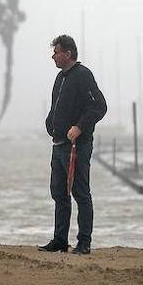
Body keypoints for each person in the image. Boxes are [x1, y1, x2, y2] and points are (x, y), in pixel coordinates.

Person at [39, 34, 107, 254]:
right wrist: (50, 123)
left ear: (68, 54)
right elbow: (55, 107)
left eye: (56, 52)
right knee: (59, 193)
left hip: (78, 145)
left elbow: (99, 106)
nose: (53, 56)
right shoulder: (60, 78)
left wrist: (79, 127)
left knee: (80, 192)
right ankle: (60, 240)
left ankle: (84, 242)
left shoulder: (83, 75)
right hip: (58, 144)